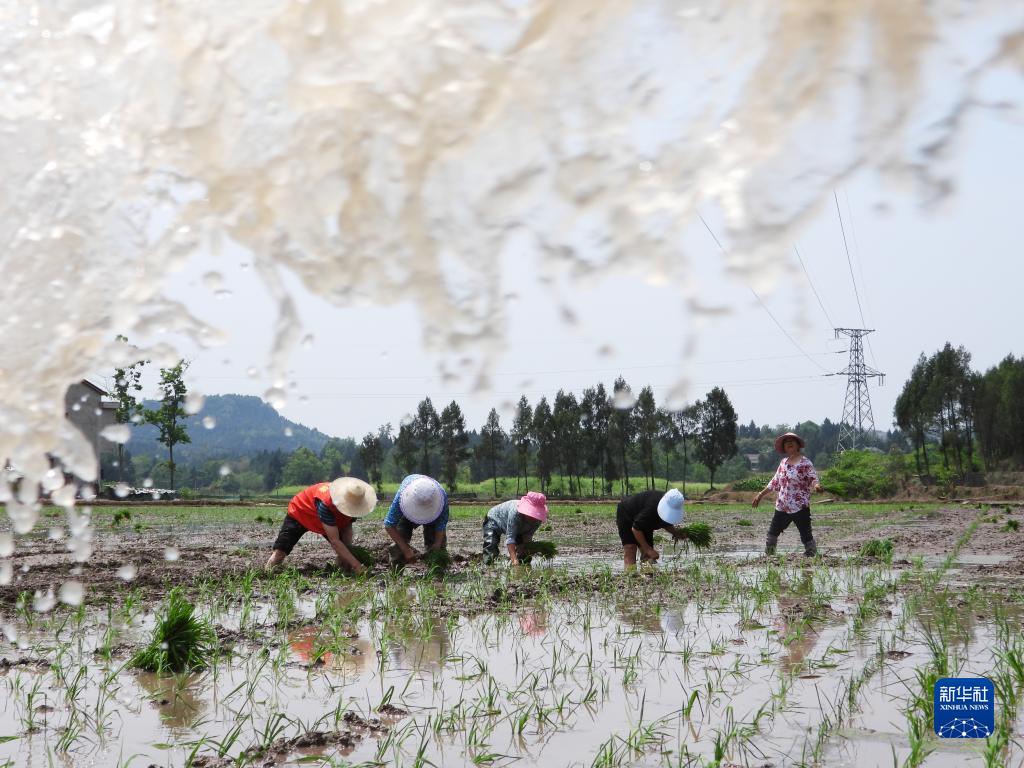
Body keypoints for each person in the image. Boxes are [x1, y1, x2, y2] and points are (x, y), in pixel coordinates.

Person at [266, 477, 377, 573]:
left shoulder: (355, 504)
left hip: (329, 520)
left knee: (345, 551)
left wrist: (348, 553)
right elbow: (335, 541)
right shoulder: (326, 503)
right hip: (301, 513)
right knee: (280, 553)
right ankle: (268, 572)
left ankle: (343, 571)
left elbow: (347, 528)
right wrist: (357, 566)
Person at [752, 432, 823, 556]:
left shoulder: (805, 463)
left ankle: (811, 554)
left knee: (806, 535)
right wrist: (760, 495)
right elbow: (774, 482)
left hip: (800, 506)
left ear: (798, 445)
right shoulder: (783, 463)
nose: (789, 443)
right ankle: (769, 556)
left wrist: (816, 486)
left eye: (792, 441)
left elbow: (813, 478)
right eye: (786, 442)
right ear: (784, 447)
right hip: (782, 506)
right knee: (772, 533)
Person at [384, 474, 449, 565]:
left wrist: (437, 544)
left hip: (433, 516)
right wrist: (405, 549)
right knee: (399, 546)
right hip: (406, 513)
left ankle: (437, 570)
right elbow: (389, 524)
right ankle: (396, 570)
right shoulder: (402, 497)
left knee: (438, 551)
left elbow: (441, 524)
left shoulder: (442, 498)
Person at [616, 488, 688, 569]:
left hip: (644, 520)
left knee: (648, 556)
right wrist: (648, 549)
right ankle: (630, 575)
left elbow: (665, 523)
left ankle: (647, 574)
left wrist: (676, 533)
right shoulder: (651, 508)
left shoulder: (668, 506)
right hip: (627, 513)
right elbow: (636, 529)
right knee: (630, 548)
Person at [482, 491, 549, 566]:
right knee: (491, 545)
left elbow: (528, 536)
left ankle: (523, 565)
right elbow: (510, 537)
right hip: (494, 519)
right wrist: (514, 560)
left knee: (524, 554)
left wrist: (526, 549)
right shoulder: (515, 513)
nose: (532, 518)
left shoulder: (537, 520)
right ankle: (488, 566)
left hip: (518, 527)